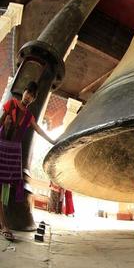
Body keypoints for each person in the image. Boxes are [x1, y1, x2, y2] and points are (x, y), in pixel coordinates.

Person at [0, 81, 55, 241]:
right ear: (23, 92)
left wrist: (51, 140)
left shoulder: (29, 116)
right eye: (27, 92)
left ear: (33, 99)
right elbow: (1, 121)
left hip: (13, 153)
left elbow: (37, 129)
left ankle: (2, 223)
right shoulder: (11, 104)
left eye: (31, 95)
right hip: (2, 147)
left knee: (5, 189)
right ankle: (4, 225)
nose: (28, 96)